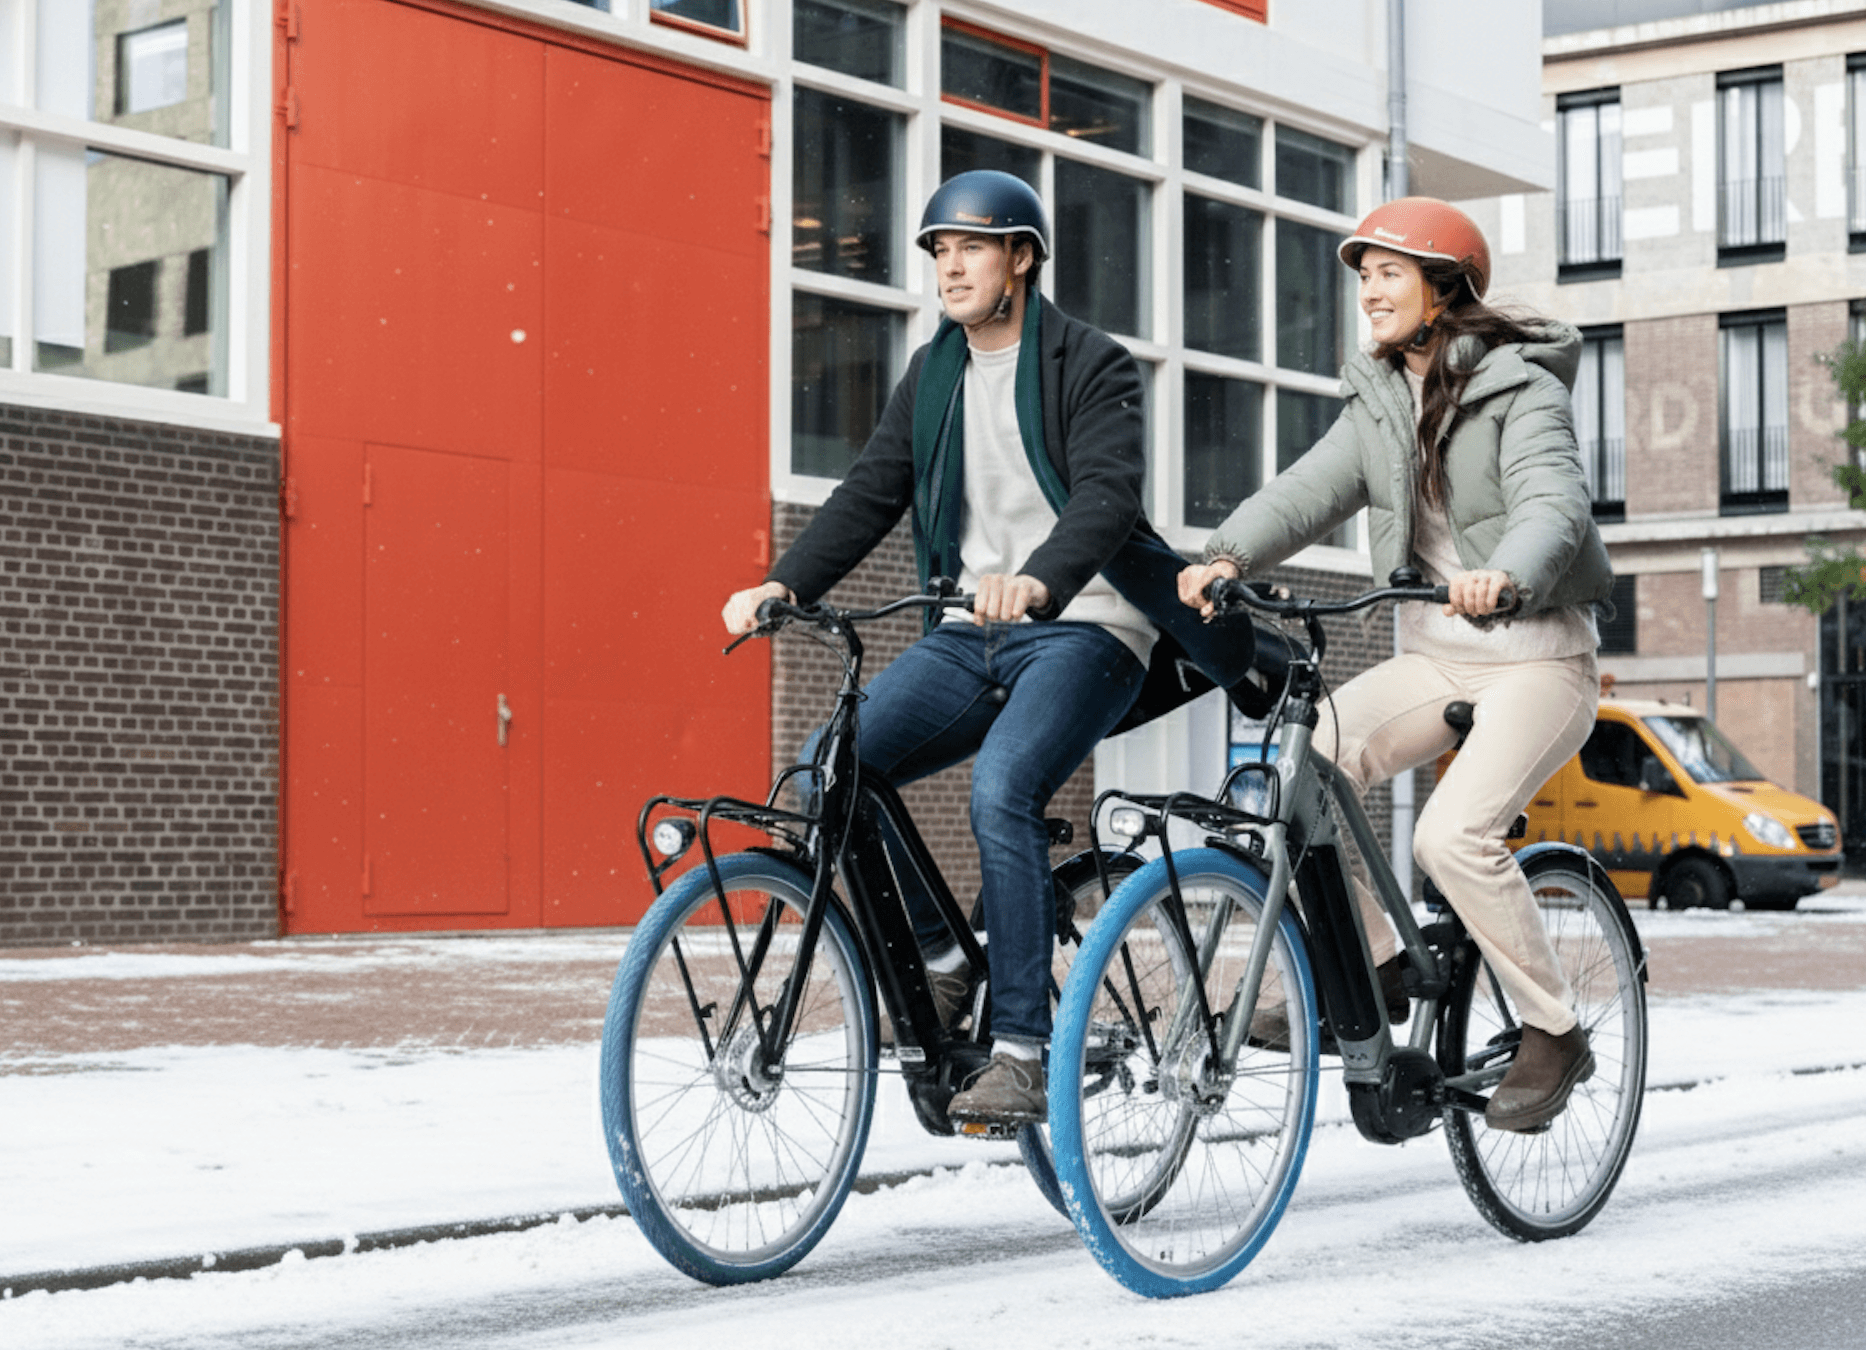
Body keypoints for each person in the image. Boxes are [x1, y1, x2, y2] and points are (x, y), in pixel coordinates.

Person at [723, 171, 1259, 1127]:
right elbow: (867, 491)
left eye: (971, 246)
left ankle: (1020, 1046)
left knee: (1001, 788)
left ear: (1023, 258)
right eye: (937, 250)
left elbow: (1105, 497)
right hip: (977, 632)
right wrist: (783, 583)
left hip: (1089, 626)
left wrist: (1043, 579)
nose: (950, 266)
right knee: (827, 770)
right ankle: (937, 961)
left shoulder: (1091, 363)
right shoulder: (935, 375)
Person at [1176, 196, 1615, 1134]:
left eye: (1387, 273)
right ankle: (1376, 959)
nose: (1368, 291)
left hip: (1537, 656)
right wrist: (1224, 557)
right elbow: (1308, 491)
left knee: (1448, 838)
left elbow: (1554, 505)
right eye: (1362, 275)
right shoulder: (1379, 399)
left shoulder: (1525, 390)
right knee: (1303, 765)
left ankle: (1554, 1028)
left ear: (1443, 287)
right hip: (1436, 654)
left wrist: (1509, 575)